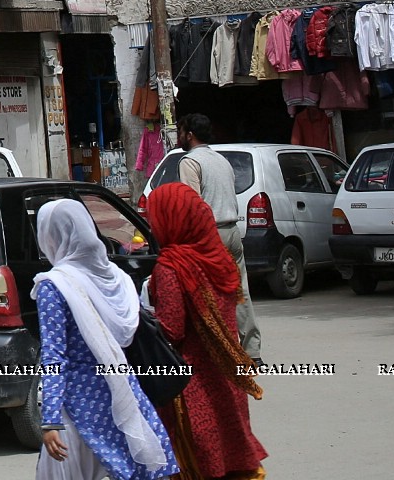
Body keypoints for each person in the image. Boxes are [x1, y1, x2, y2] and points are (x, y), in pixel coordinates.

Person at [32, 199, 176, 480]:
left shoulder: (54, 285)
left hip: (78, 403)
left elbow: (54, 356)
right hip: (122, 392)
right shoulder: (116, 277)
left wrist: (50, 419)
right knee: (129, 466)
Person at [145, 184, 267, 480]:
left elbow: (171, 330)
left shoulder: (172, 267)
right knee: (232, 459)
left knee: (201, 463)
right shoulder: (220, 260)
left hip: (193, 386)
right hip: (226, 377)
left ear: (171, 219)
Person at [176, 114, 261, 358]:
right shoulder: (221, 159)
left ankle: (218, 350)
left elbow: (192, 204)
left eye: (181, 132)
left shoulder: (189, 162)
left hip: (209, 233)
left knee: (207, 294)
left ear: (190, 134)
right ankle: (252, 349)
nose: (179, 137)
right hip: (232, 230)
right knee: (240, 290)